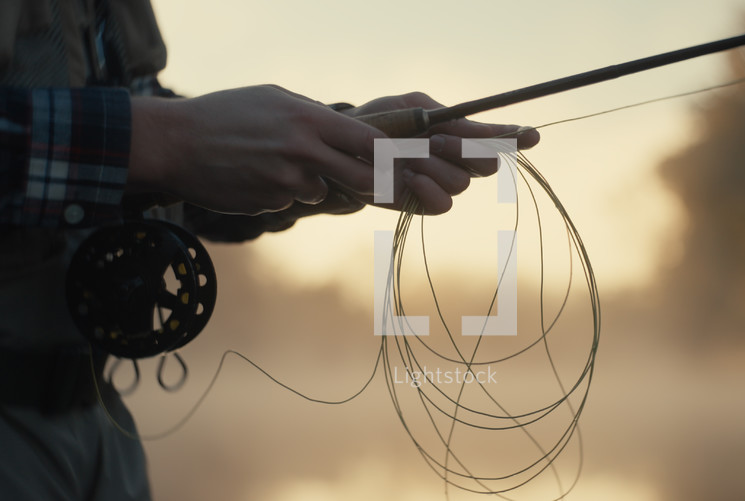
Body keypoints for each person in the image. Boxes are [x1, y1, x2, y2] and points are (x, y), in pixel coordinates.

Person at [0, 1, 539, 500]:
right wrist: (167, 143)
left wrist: (334, 153)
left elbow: (146, 169)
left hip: (103, 429)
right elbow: (156, 145)